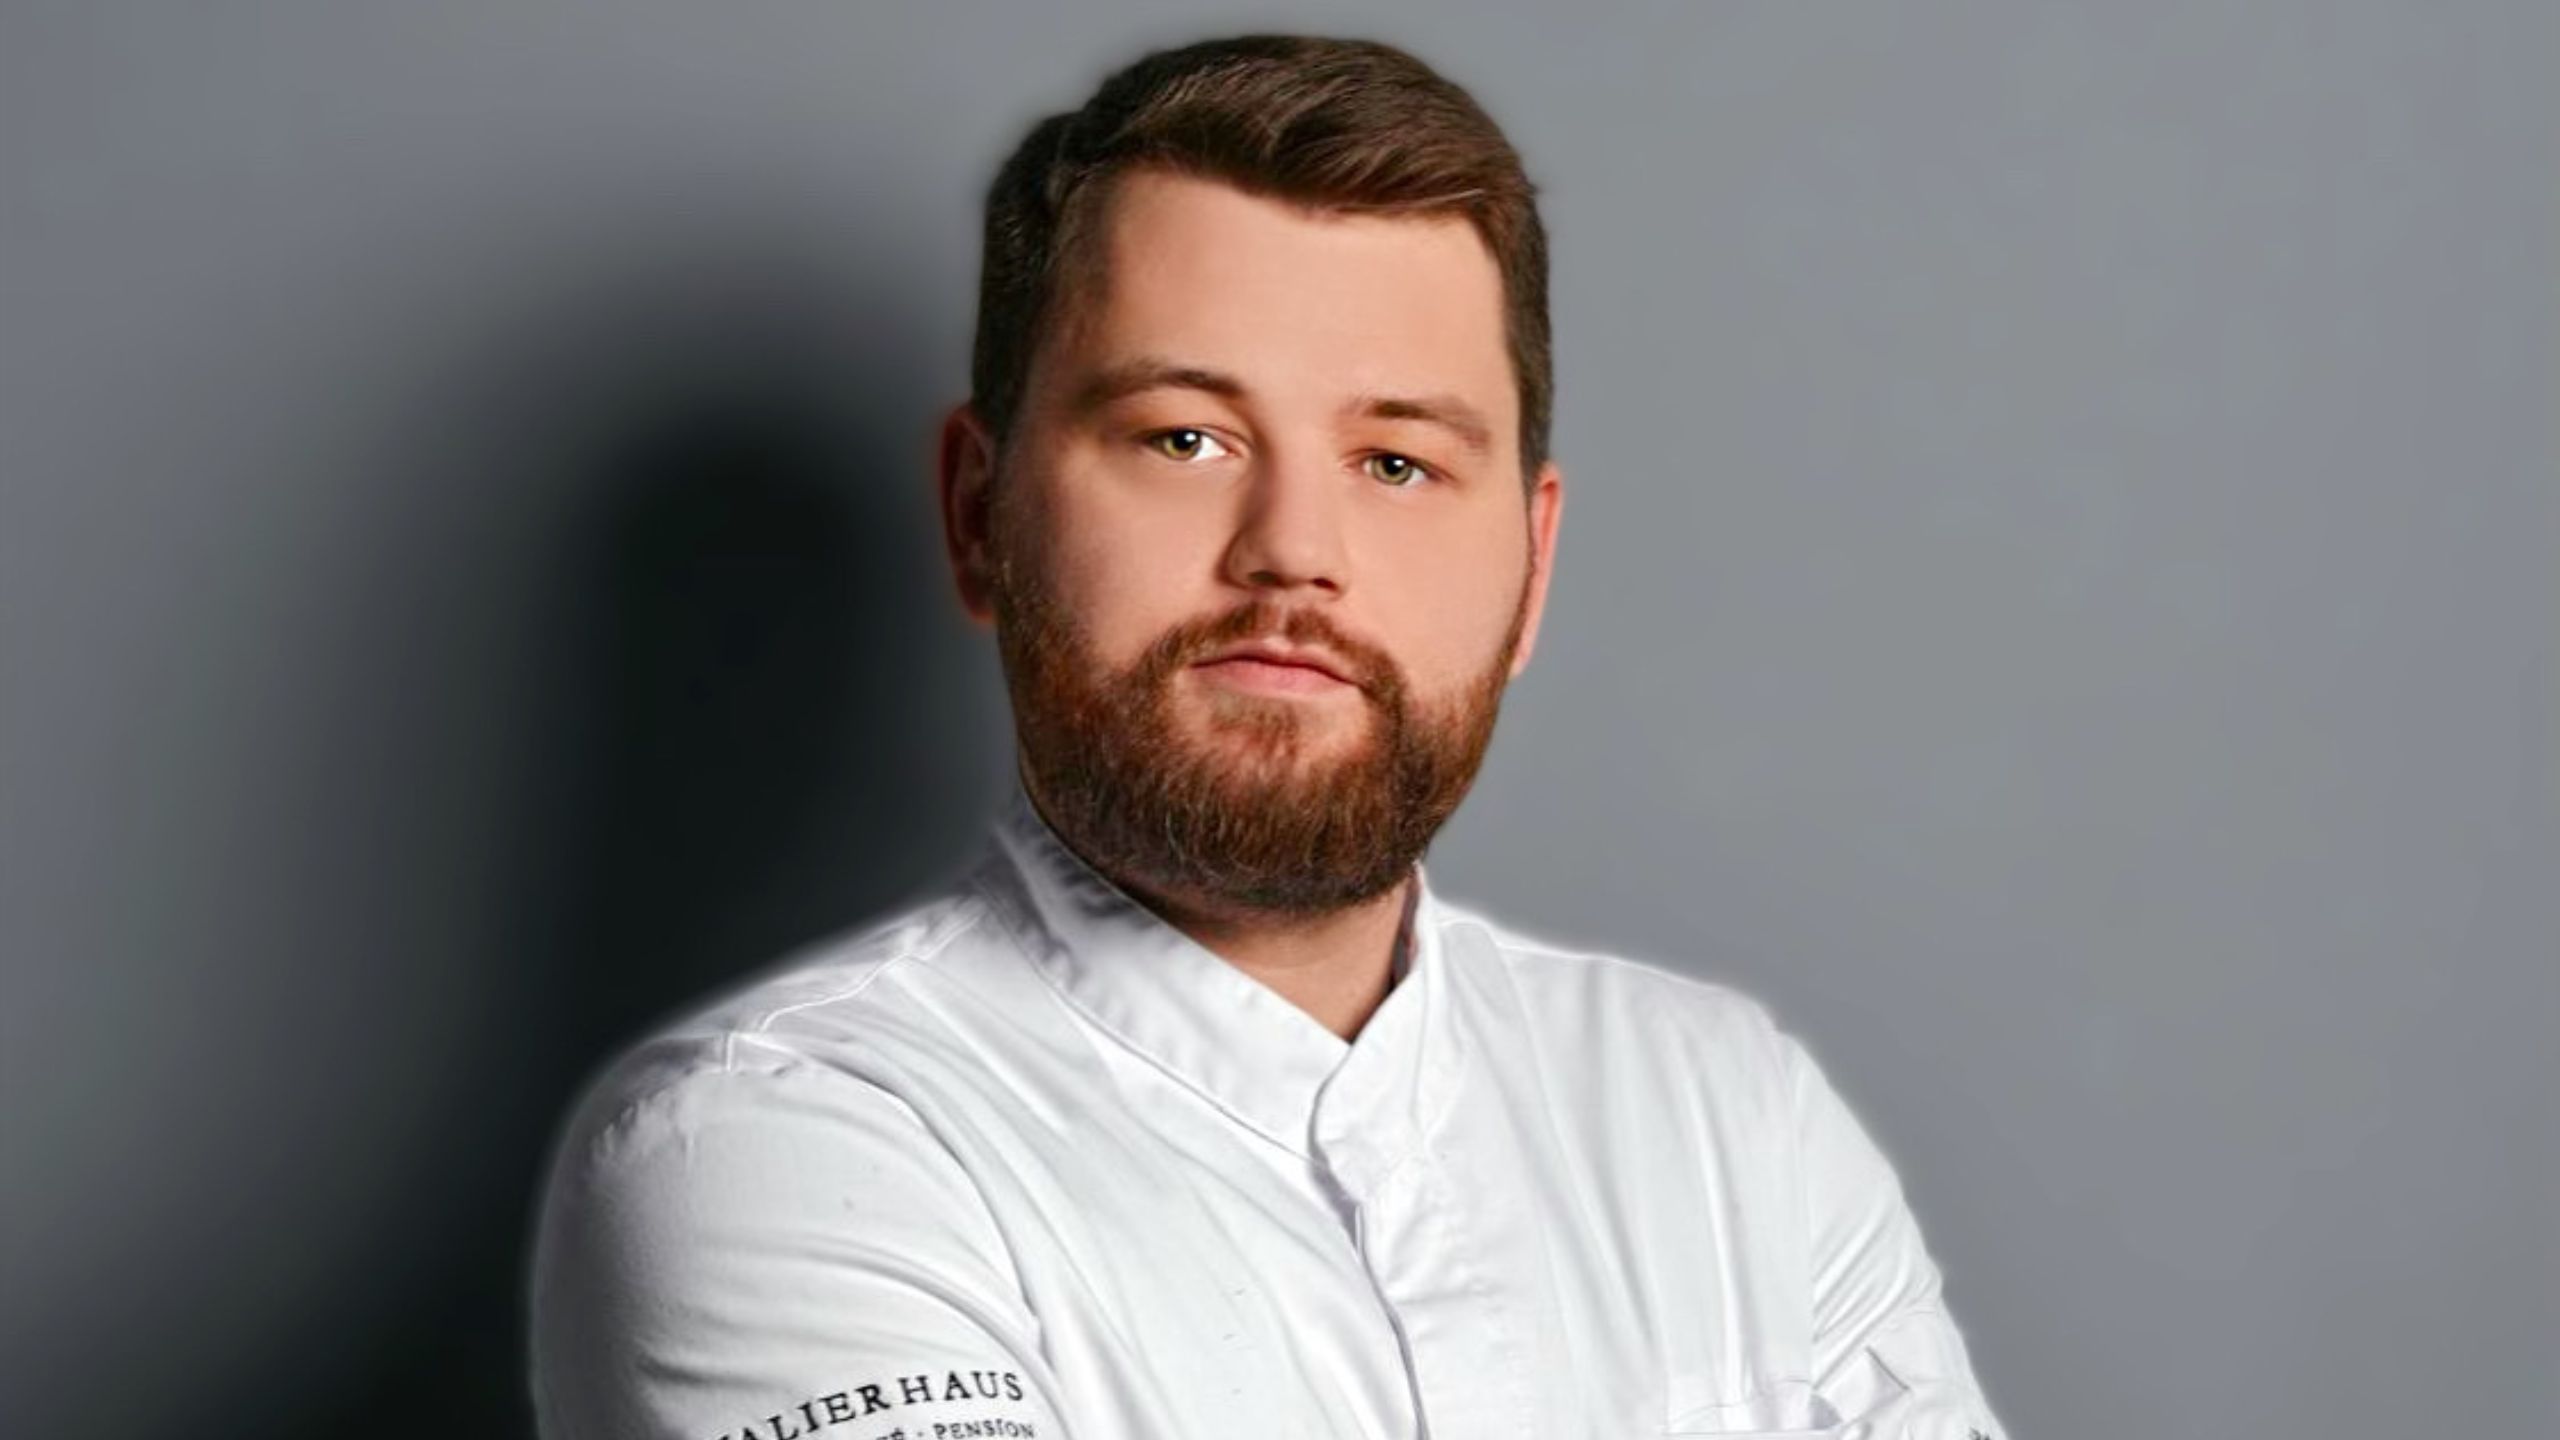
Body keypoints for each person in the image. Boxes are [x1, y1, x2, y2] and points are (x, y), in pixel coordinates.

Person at [528, 33, 2010, 1440]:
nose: (1295, 549)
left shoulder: (1731, 1115)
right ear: (979, 515)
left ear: (1533, 567)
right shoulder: (774, 1148)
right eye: (1185, 438)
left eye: (1396, 462)